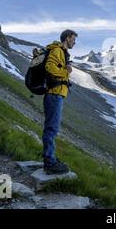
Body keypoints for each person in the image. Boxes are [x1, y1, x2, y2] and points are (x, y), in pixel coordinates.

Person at [42, 29, 78, 174]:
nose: (74, 42)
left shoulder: (61, 51)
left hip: (55, 94)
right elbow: (49, 67)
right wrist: (65, 72)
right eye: (73, 39)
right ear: (67, 38)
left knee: (52, 128)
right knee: (51, 128)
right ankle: (49, 162)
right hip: (54, 94)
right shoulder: (57, 50)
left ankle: (51, 158)